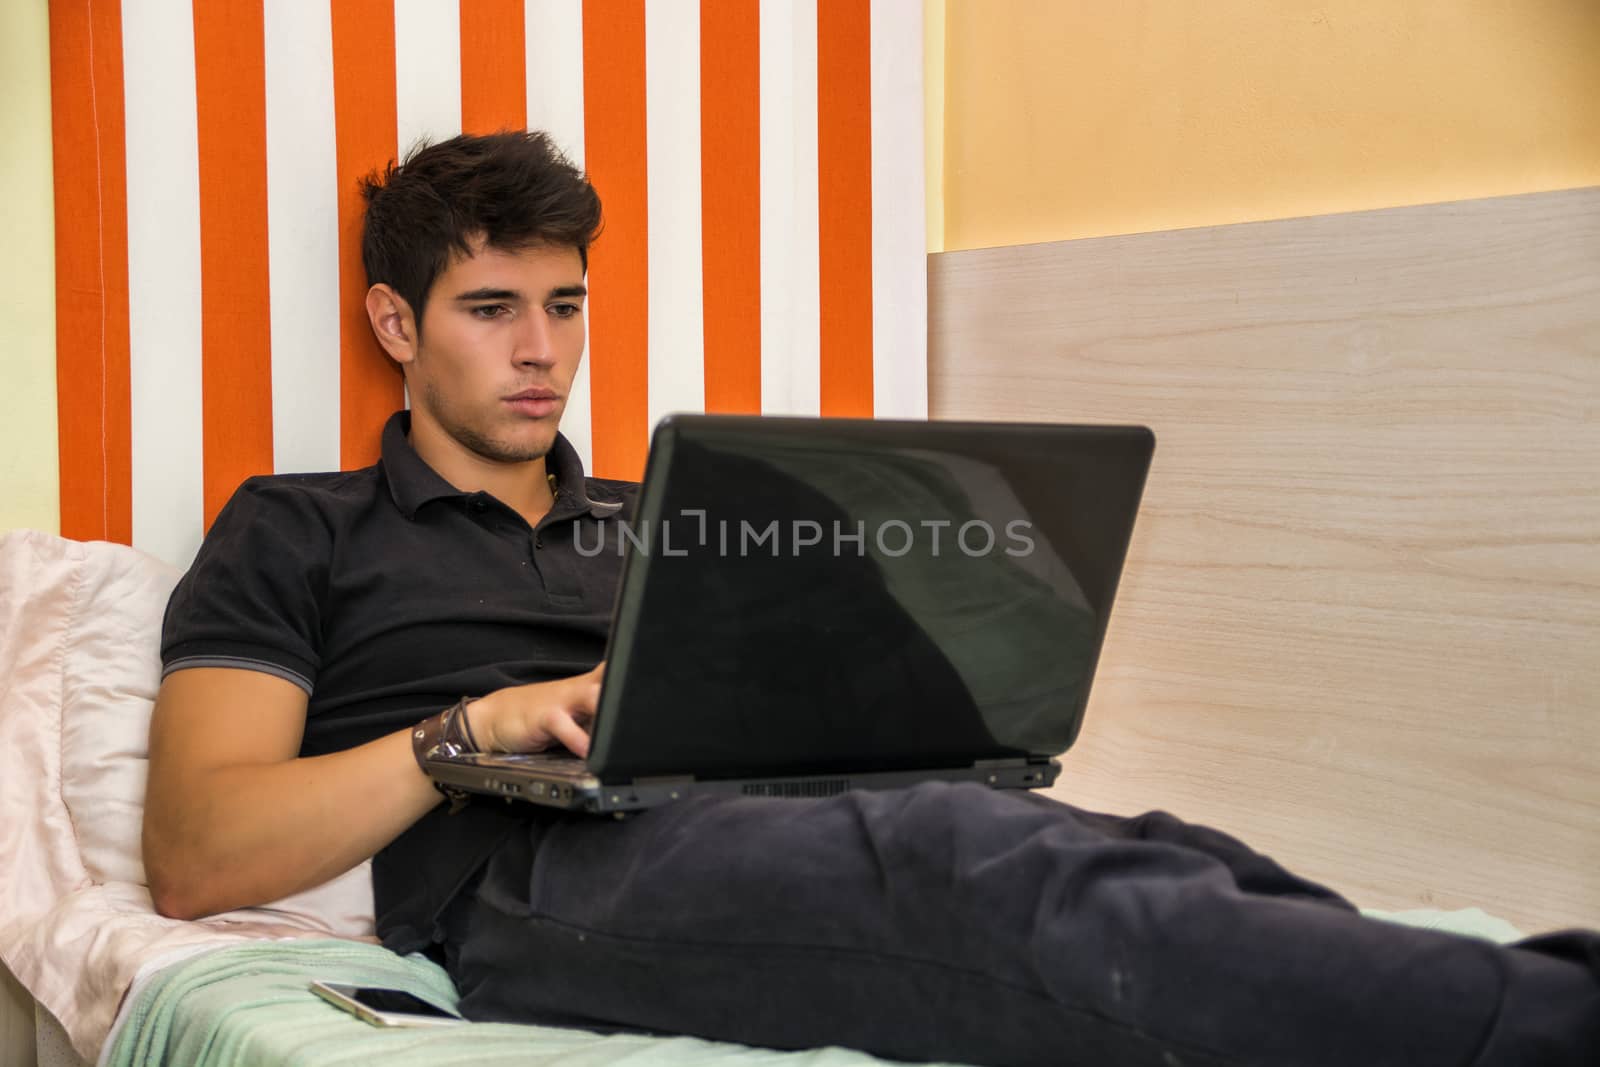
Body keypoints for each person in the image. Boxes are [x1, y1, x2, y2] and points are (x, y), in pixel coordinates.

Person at [144, 130, 1598, 1067]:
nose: (543, 352)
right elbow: (201, 854)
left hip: (768, 809)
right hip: (533, 878)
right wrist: (479, 724)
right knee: (989, 869)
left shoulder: (664, 510)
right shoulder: (297, 529)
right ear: (396, 324)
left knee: (1159, 844)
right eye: (492, 309)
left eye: (566, 305)